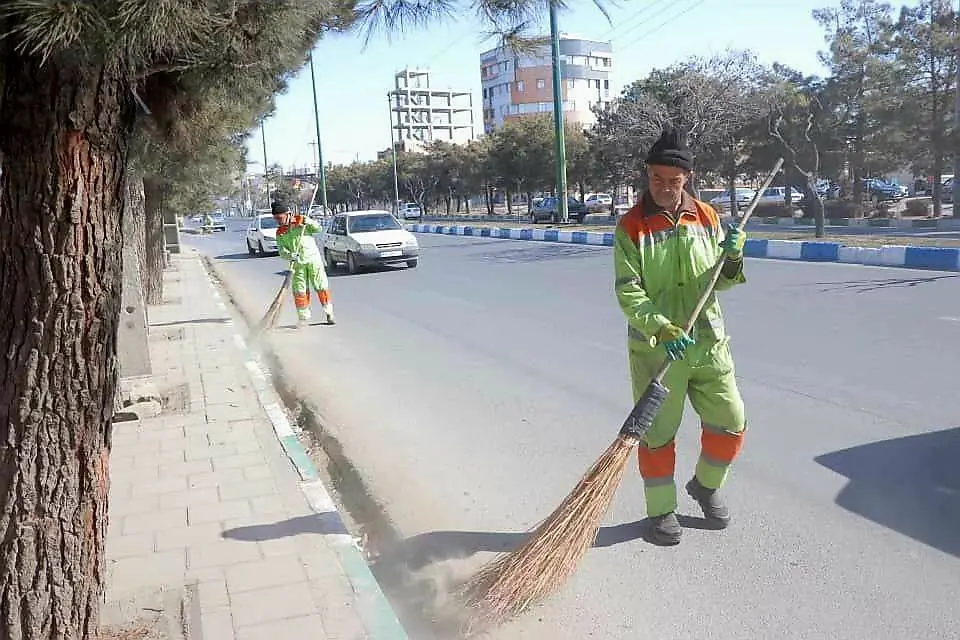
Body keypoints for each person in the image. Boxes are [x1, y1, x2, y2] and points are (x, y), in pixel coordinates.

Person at [613, 125, 748, 546]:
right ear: (647, 175)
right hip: (657, 351)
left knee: (731, 422)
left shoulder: (707, 216)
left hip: (708, 343)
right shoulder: (631, 226)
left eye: (674, 181)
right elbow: (628, 290)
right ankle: (661, 512)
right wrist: (660, 326)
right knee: (657, 437)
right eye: (657, 179)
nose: (665, 189)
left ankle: (705, 486)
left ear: (687, 179)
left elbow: (720, 282)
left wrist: (734, 256)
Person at [272, 199, 336, 327]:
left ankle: (329, 313)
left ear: (288, 214)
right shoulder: (280, 232)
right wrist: (290, 255)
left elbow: (318, 229)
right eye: (276, 219)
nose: (278, 221)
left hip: (313, 260)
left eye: (280, 218)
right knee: (300, 291)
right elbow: (282, 251)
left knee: (321, 286)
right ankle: (303, 317)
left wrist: (309, 222)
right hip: (297, 264)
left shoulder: (301, 220)